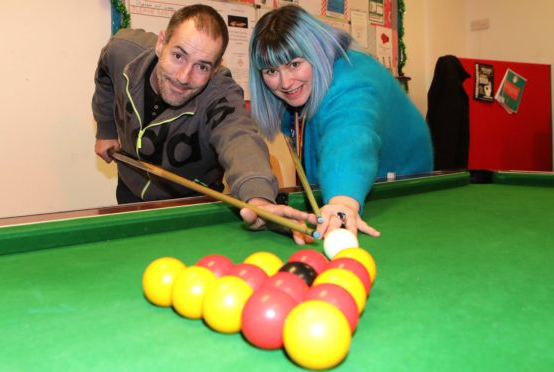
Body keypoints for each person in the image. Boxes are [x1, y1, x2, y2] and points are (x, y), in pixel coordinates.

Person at [92, 4, 317, 244]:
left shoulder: (220, 94)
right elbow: (105, 72)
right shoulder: (124, 50)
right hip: (130, 193)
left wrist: (259, 199)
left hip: (193, 209)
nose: (183, 77)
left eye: (202, 66)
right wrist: (106, 128)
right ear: (161, 43)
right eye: (178, 56)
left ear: (216, 67)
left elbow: (239, 139)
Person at [248, 5, 433, 238]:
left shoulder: (351, 81)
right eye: (270, 71)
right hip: (354, 187)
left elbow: (350, 137)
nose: (285, 82)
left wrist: (342, 203)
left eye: (294, 64)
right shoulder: (308, 84)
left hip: (402, 190)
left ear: (315, 52)